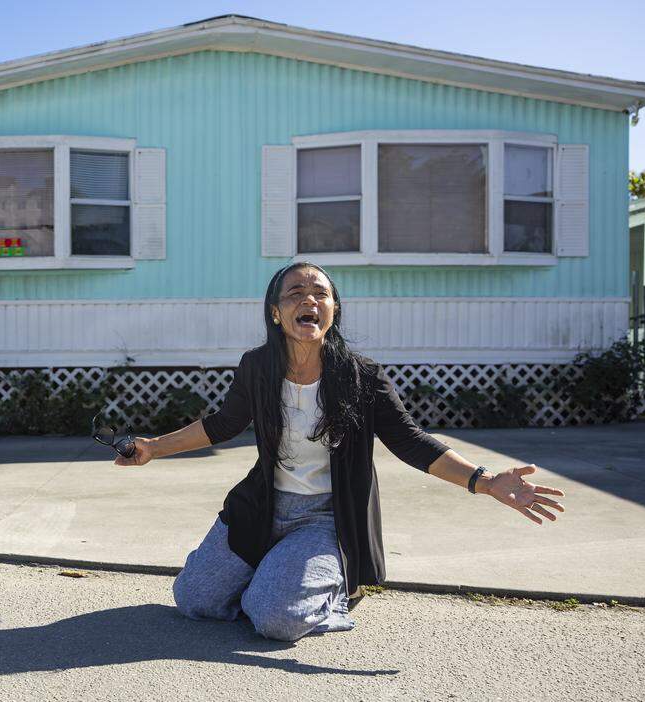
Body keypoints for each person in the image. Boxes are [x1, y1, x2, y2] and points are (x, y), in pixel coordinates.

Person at [113, 262, 566, 641]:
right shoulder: (257, 367)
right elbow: (222, 425)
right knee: (194, 601)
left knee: (274, 619)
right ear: (276, 313)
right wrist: (153, 447)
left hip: (326, 517)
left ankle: (330, 587)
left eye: (320, 294)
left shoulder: (362, 377)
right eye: (295, 293)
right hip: (263, 507)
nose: (308, 300)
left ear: (333, 309)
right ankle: (279, 575)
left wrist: (484, 481)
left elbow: (410, 441)